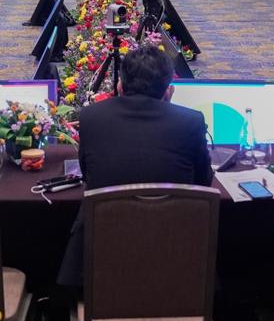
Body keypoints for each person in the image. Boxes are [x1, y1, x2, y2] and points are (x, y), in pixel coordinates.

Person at [57, 46, 212, 287]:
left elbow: (88, 174)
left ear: (119, 86)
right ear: (169, 91)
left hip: (100, 266)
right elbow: (203, 183)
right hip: (177, 262)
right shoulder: (191, 121)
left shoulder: (91, 117)